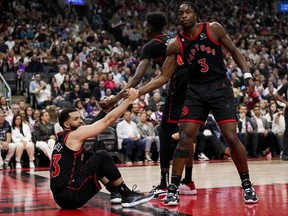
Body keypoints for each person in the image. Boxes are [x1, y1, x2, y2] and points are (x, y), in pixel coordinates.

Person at [137, 2, 259, 204]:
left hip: (219, 88)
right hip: (196, 92)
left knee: (230, 136)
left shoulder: (213, 28)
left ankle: (246, 184)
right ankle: (173, 188)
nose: (183, 16)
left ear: (195, 14)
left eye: (188, 12)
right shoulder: (175, 44)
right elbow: (163, 77)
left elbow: (235, 51)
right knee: (185, 137)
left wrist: (247, 75)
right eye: (180, 13)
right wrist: (137, 92)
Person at [99, 11, 195, 198]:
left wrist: (114, 99)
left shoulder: (151, 45)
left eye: (145, 26)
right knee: (187, 133)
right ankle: (189, 182)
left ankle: (164, 184)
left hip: (179, 82)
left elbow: (136, 78)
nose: (144, 29)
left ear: (150, 27)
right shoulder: (172, 39)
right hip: (195, 84)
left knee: (165, 131)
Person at [49, 88, 154, 209]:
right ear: (66, 124)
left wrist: (105, 110)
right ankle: (126, 194)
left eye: (80, 117)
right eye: (76, 119)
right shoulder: (74, 135)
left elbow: (92, 125)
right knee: (101, 156)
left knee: (89, 156)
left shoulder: (63, 137)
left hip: (62, 197)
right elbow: (107, 121)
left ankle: (114, 192)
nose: (81, 121)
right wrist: (129, 101)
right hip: (71, 194)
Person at [274, 80, 288, 160]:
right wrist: (285, 102)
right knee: (287, 131)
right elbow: (276, 95)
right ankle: (285, 153)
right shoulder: (286, 86)